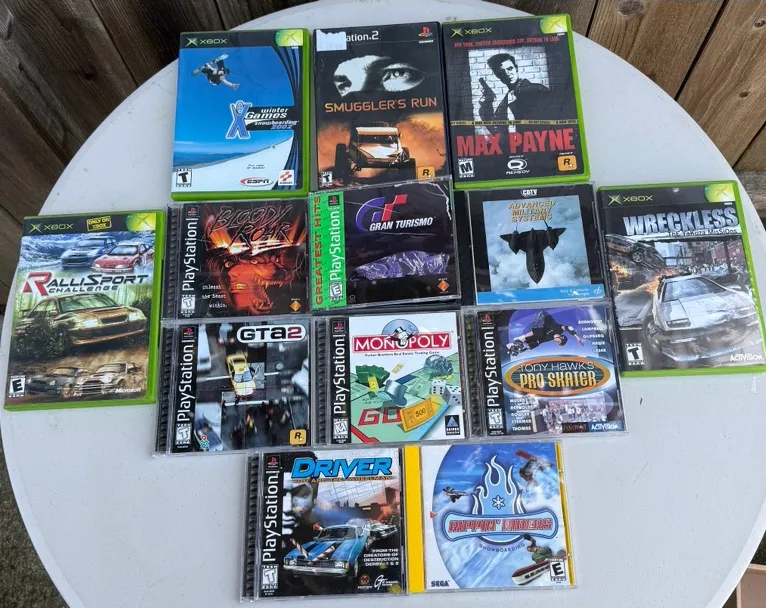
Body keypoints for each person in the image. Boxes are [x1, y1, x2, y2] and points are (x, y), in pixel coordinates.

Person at [478, 53, 550, 134]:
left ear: (516, 68)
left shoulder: (538, 90)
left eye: (510, 68)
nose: (507, 73)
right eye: (501, 72)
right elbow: (496, 131)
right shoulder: (506, 100)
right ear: (497, 75)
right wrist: (486, 105)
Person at [508, 310, 584, 356]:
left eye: (558, 343)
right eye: (559, 342)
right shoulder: (559, 329)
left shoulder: (549, 338)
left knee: (535, 339)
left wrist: (524, 350)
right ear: (561, 337)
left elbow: (537, 343)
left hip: (536, 325)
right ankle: (520, 338)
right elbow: (569, 327)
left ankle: (517, 344)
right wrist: (577, 338)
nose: (556, 342)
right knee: (539, 333)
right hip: (541, 315)